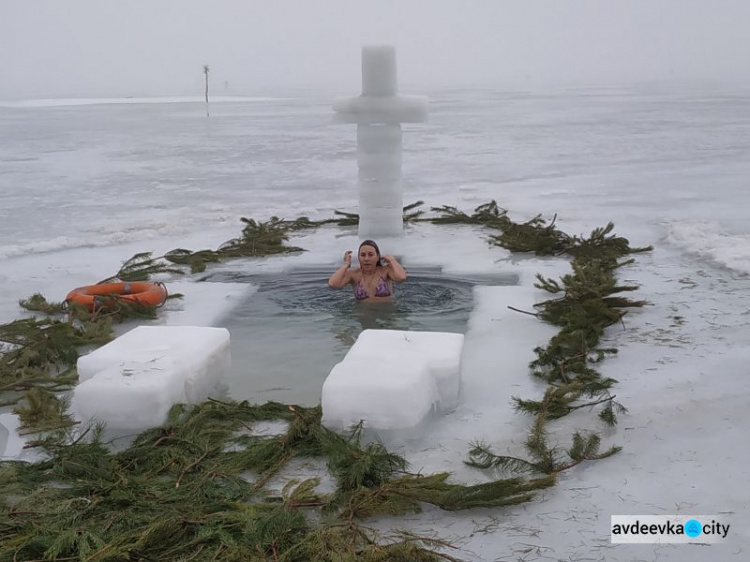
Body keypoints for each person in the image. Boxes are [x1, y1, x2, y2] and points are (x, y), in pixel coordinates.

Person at [328, 240, 406, 302]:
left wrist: (392, 260)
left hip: (387, 316)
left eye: (371, 254)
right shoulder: (353, 274)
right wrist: (346, 264)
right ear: (358, 257)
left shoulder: (385, 271)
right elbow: (333, 284)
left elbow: (401, 277)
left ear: (378, 256)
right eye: (363, 255)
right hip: (362, 316)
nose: (366, 259)